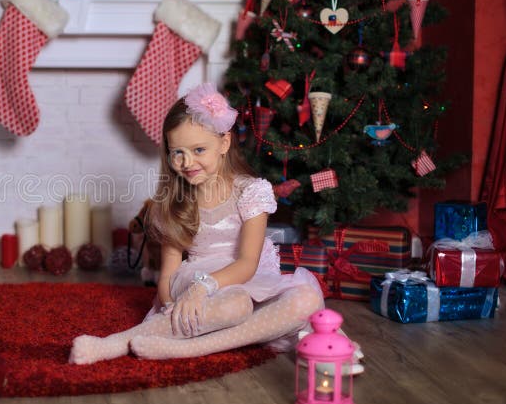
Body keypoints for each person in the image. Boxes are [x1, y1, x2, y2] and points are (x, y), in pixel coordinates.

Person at [69, 82, 328, 364]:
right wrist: (170, 306)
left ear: (224, 143)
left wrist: (204, 287)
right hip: (193, 280)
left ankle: (190, 347)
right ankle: (116, 343)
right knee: (236, 305)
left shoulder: (251, 192)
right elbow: (168, 275)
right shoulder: (174, 201)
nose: (187, 162)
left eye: (199, 150)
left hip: (241, 279)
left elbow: (247, 263)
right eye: (177, 152)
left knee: (306, 300)